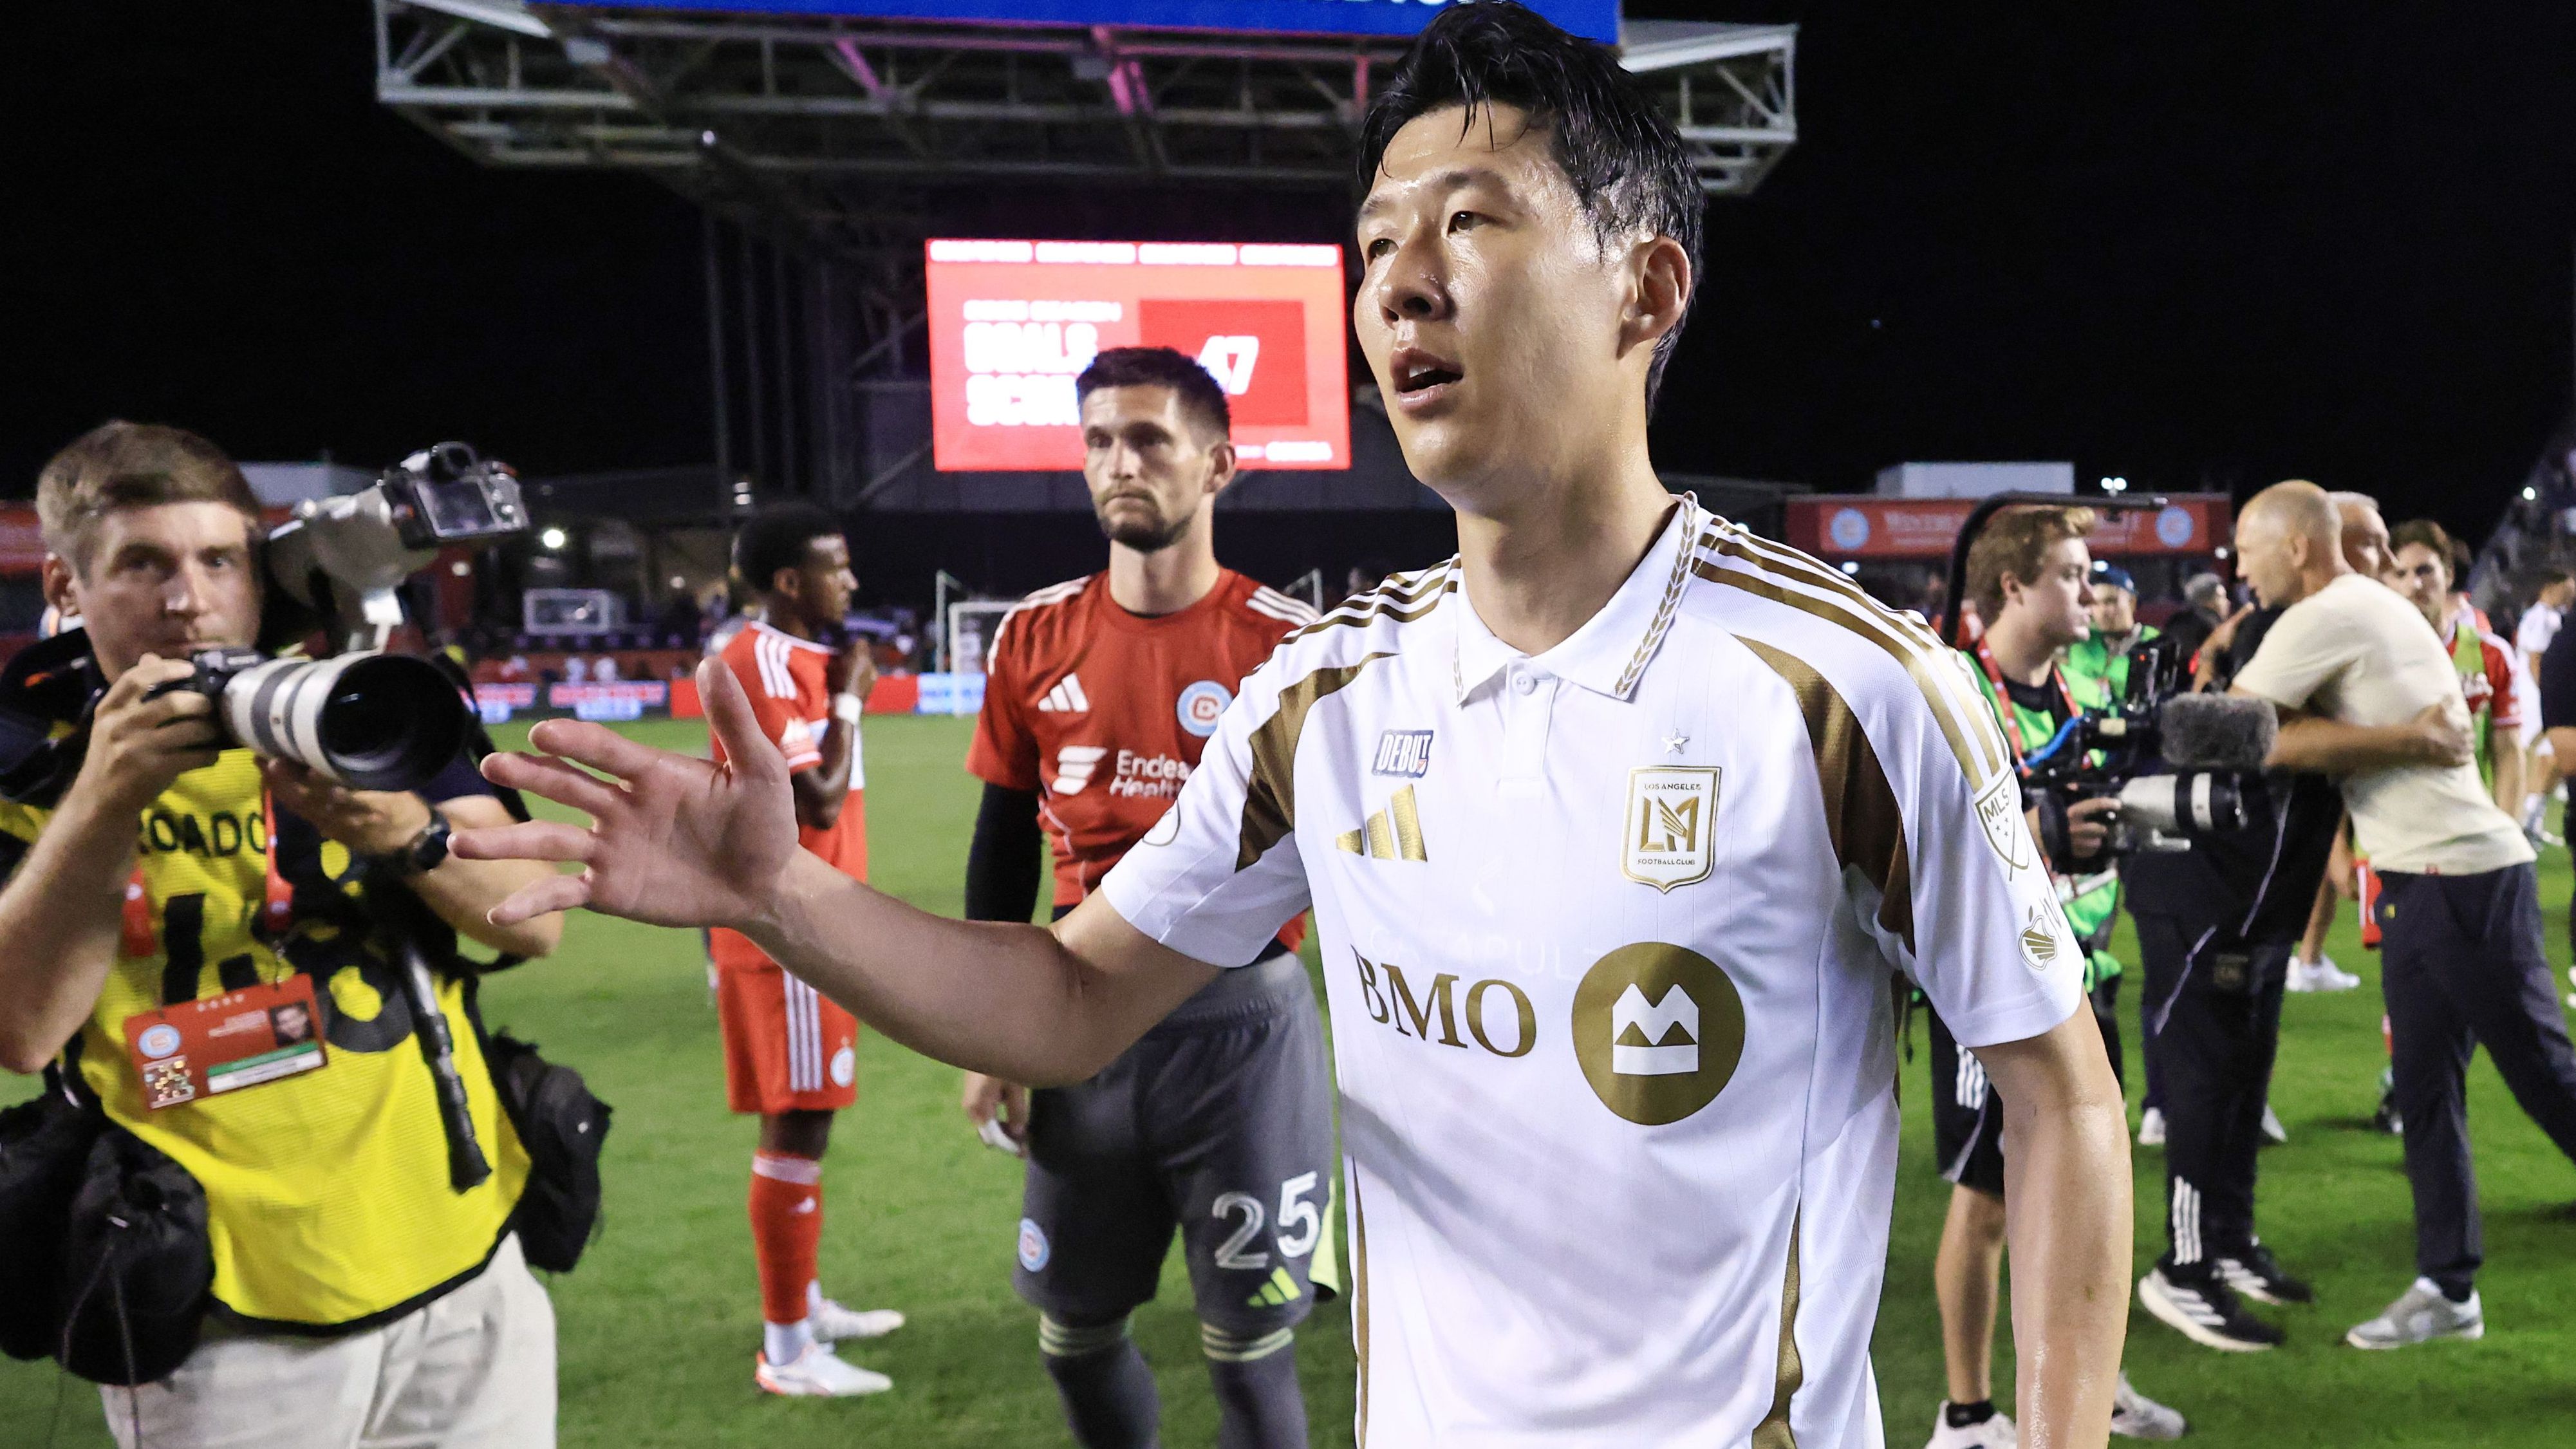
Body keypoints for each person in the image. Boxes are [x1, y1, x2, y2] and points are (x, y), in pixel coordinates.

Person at [458, 5, 2135, 1443]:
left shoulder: (1843, 684)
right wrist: (779, 893)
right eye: (1375, 244)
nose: (1399, 284)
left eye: (1468, 223)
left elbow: (2055, 1096)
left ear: (1645, 289)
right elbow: (1065, 997)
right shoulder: (1322, 697)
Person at [0, 422, 565, 1446]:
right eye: (143, 563)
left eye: (219, 558)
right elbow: (22, 1029)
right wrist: (101, 799)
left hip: (464, 1256)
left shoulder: (349, 706)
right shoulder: (26, 758)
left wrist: (409, 829)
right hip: (224, 1310)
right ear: (67, 587)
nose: (189, 598)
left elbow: (539, 918)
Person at [961, 345, 1332, 1449]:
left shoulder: (1288, 642)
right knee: (1071, 1342)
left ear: (1217, 465)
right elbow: (998, 848)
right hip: (1079, 1028)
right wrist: (994, 1034)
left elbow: (1358, 857)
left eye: (1148, 439)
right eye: (1097, 441)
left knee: (1252, 1362)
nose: (1118, 462)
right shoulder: (1032, 636)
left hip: (1243, 1033)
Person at [2227, 480, 2576, 1349]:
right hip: (2424, 877)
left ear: (2299, 547)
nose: (2239, 566)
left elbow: (2236, 730)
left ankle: (2446, 1283)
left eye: (2247, 548)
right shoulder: (2363, 607)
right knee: (2423, 1090)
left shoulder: (2329, 609)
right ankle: (2446, 1287)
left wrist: (2391, 742)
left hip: (2456, 879)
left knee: (2549, 1081)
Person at [1926, 507, 2184, 1446]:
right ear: (2012, 586)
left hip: (2083, 968)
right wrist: (2041, 832)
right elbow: (1923, 832)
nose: (2091, 592)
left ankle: (2089, 1387)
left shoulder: (2076, 687)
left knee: (2081, 1187)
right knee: (1987, 1197)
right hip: (1985, 989)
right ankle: (1963, 1413)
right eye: (2072, 573)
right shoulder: (1948, 684)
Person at [705, 502, 901, 1397]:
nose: (852, 582)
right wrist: (854, 696)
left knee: (807, 1116)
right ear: (791, 581)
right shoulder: (757, 659)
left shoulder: (802, 657)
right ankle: (787, 1349)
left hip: (819, 922)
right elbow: (814, 801)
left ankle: (803, 1301)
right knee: (798, 1120)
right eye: (838, 566)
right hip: (790, 929)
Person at [2513, 568, 2573, 841]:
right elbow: (2535, 660)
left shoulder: (2552, 616)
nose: (2571, 591)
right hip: (2536, 698)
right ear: (2551, 587)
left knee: (2549, 762)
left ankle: (2531, 823)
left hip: (2542, 698)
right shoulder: (2540, 617)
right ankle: (2524, 820)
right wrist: (2550, 695)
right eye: (2567, 586)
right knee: (2543, 759)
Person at [2064, 562, 2156, 698]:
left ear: (2132, 602)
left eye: (2111, 602)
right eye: (2095, 603)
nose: (2102, 611)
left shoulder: (2155, 642)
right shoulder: (2080, 642)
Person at [2160, 572, 2228, 668]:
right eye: (2222, 597)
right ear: (2206, 600)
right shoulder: (2210, 626)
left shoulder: (2175, 621)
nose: (2227, 602)